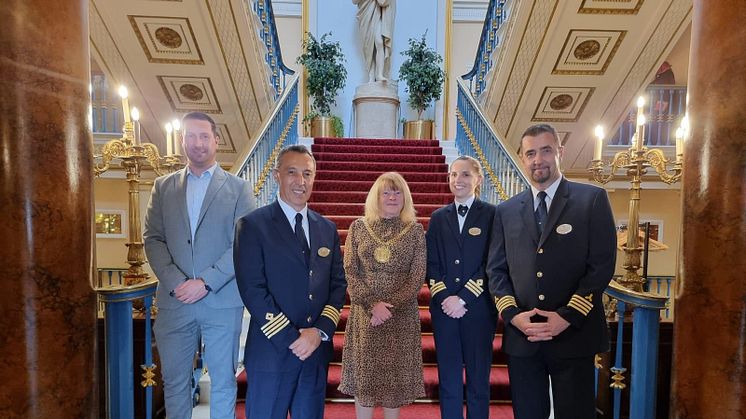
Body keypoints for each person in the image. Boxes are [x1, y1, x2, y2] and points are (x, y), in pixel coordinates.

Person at [487, 124, 617, 419]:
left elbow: (601, 265)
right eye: (530, 153)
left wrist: (566, 317)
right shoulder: (505, 211)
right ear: (522, 158)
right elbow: (496, 270)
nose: (538, 160)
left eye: (546, 150)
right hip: (524, 336)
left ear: (560, 152)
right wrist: (513, 316)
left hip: (573, 334)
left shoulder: (591, 200)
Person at [144, 111, 255, 419]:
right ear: (182, 141)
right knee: (175, 383)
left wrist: (205, 282)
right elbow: (153, 239)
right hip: (174, 301)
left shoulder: (239, 189)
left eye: (204, 136)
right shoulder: (162, 187)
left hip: (221, 300)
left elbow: (242, 244)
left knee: (222, 383)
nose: (197, 143)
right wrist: (177, 283)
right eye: (190, 136)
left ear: (216, 140)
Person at [233, 145, 347, 419]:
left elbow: (337, 285)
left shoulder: (326, 228)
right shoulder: (253, 225)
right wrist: (293, 338)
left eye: (308, 173)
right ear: (276, 176)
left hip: (314, 353)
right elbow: (253, 289)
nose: (301, 181)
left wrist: (318, 332)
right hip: (273, 351)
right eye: (292, 172)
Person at [338, 171, 426, 419]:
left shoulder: (415, 230)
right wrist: (372, 306)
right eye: (386, 192)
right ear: (375, 197)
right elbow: (350, 271)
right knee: (364, 381)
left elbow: (417, 276)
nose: (392, 197)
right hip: (366, 317)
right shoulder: (358, 227)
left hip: (401, 318)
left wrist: (388, 308)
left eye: (397, 191)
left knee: (393, 382)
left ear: (405, 197)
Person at [426, 156, 497, 419]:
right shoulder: (438, 217)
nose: (458, 180)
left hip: (478, 311)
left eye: (465, 175)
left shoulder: (492, 214)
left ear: (478, 180)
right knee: (449, 380)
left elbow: (493, 261)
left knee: (479, 381)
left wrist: (464, 298)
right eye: (454, 175)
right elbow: (431, 263)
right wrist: (445, 297)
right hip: (444, 311)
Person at [352, 0, 396, 82]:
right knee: (368, 47)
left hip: (378, 12)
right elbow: (354, 1)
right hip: (365, 13)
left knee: (379, 42)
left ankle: (379, 74)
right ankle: (371, 76)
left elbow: (383, 2)